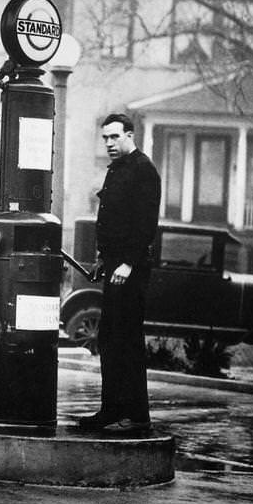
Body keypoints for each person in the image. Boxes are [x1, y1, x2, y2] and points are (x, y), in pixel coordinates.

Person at [76, 113, 162, 432]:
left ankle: (136, 415)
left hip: (131, 269)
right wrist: (104, 258)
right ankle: (112, 410)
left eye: (114, 137)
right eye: (105, 139)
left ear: (129, 135)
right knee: (111, 338)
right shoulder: (117, 171)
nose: (109, 144)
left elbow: (145, 224)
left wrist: (127, 262)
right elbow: (114, 220)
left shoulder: (144, 170)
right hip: (115, 266)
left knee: (126, 339)